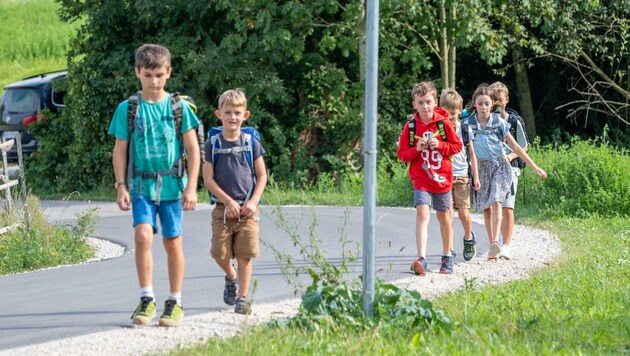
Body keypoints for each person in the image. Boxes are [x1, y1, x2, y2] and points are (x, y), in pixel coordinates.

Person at [109, 44, 200, 327]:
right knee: (142, 236)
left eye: (159, 74)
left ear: (169, 73)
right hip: (140, 186)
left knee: (173, 241)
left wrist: (192, 187)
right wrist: (121, 185)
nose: (154, 81)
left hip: (173, 186)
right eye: (148, 74)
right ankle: (147, 298)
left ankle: (175, 301)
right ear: (138, 72)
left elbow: (193, 148)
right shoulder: (128, 108)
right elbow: (119, 150)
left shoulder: (178, 108)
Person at [463, 84, 546, 260]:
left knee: (497, 200)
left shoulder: (499, 123)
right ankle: (493, 243)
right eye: (480, 104)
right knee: (486, 208)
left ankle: (495, 242)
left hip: (500, 166)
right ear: (474, 104)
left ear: (492, 104)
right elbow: (461, 147)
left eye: (487, 103)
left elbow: (516, 146)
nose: (484, 107)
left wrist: (534, 166)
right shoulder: (468, 124)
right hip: (481, 167)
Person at [203, 89, 267, 314]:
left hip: (249, 208)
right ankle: (231, 277)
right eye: (228, 112)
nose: (232, 117)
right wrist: (228, 201)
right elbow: (208, 179)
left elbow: (262, 176)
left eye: (237, 112)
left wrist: (254, 201)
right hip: (222, 208)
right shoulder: (212, 144)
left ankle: (242, 298)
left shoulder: (251, 143)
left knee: (244, 254)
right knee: (219, 253)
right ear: (218, 114)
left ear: (245, 115)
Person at [397, 82, 463, 275]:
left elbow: (457, 147)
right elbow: (402, 154)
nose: (425, 106)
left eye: (428, 102)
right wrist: (416, 150)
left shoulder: (443, 124)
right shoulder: (410, 127)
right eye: (420, 102)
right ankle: (422, 258)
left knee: (444, 216)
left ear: (435, 102)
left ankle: (446, 256)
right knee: (422, 214)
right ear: (414, 105)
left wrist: (440, 145)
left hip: (442, 178)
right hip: (421, 178)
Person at [439, 89, 480, 262]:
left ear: (459, 112)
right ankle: (449, 248)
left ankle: (469, 238)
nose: (450, 117)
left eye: (454, 114)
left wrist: (476, 177)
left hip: (462, 176)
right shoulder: (438, 130)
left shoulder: (464, 129)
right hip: (444, 177)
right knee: (447, 215)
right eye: (447, 114)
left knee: (464, 214)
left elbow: (472, 154)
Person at [489, 81, 529, 260]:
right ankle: (494, 243)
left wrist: (511, 157)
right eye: (493, 100)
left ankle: (506, 245)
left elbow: (524, 146)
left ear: (506, 100)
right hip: (490, 167)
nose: (496, 103)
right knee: (493, 206)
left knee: (507, 207)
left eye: (499, 99)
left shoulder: (514, 120)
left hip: (511, 167)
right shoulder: (485, 120)